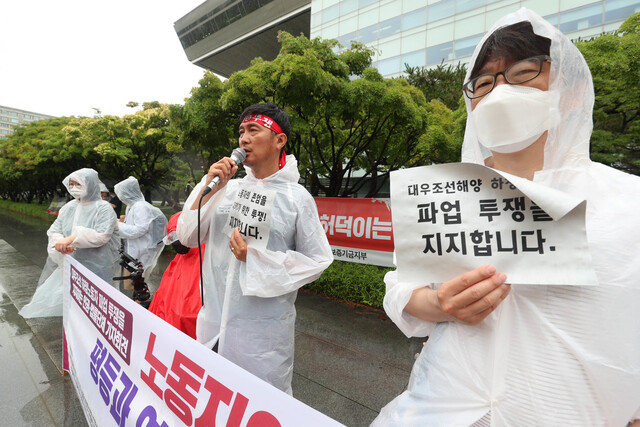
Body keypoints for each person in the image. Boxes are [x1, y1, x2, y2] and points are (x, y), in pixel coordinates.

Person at [372, 8, 640, 427]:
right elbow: (401, 286)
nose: (498, 91)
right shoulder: (447, 195)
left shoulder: (629, 202)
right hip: (438, 406)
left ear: (569, 91)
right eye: (482, 82)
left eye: (522, 72)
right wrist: (439, 304)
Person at [176, 102, 333, 393]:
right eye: (241, 132)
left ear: (280, 140)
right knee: (214, 401)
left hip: (262, 335)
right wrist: (210, 185)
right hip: (213, 322)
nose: (243, 139)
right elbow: (187, 235)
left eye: (253, 130)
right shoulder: (228, 188)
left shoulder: (297, 198)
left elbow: (317, 260)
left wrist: (257, 259)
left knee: (260, 405)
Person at [20, 168, 120, 318]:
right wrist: (60, 242)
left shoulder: (103, 208)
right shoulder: (68, 207)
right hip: (71, 262)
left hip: (97, 264)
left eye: (78, 184)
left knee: (97, 302)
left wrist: (71, 239)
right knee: (74, 301)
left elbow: (102, 236)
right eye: (71, 184)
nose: (73, 188)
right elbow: (54, 230)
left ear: (91, 184)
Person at [148, 211, 203, 339]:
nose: (175, 243)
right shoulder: (180, 259)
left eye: (178, 236)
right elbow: (162, 297)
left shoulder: (204, 256)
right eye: (172, 238)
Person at [114, 177, 167, 281]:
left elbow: (139, 230)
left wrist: (115, 225)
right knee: (132, 284)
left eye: (120, 193)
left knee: (137, 285)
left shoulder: (140, 206)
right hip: (135, 252)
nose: (119, 196)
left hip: (142, 251)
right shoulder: (132, 206)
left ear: (128, 192)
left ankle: (136, 298)